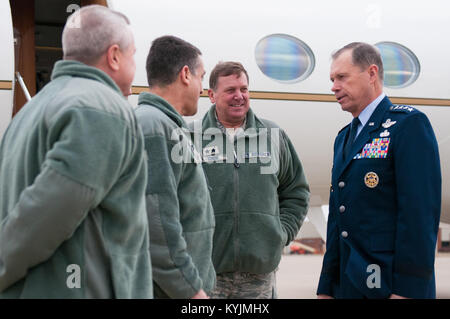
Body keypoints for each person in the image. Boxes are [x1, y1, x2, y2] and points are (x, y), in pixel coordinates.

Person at [0, 5, 152, 298]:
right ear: (114, 56)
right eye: (133, 55)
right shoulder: (101, 110)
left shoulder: (29, 111)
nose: (135, 66)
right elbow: (47, 213)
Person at [317, 42, 441, 299]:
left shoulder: (408, 125)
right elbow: (338, 220)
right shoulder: (344, 138)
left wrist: (408, 289)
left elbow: (419, 215)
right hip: (349, 287)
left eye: (342, 77)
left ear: (372, 74)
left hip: (389, 287)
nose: (334, 86)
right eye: (332, 79)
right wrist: (326, 287)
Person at [189, 61, 310, 298]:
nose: (239, 96)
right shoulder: (190, 138)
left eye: (244, 89)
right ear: (212, 95)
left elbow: (296, 191)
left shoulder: (273, 135)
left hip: (259, 276)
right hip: (207, 273)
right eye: (230, 90)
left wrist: (280, 233)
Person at [135, 35, 215, 299]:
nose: (203, 88)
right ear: (185, 74)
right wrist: (191, 291)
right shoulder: (155, 128)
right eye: (201, 77)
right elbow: (158, 226)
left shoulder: (165, 125)